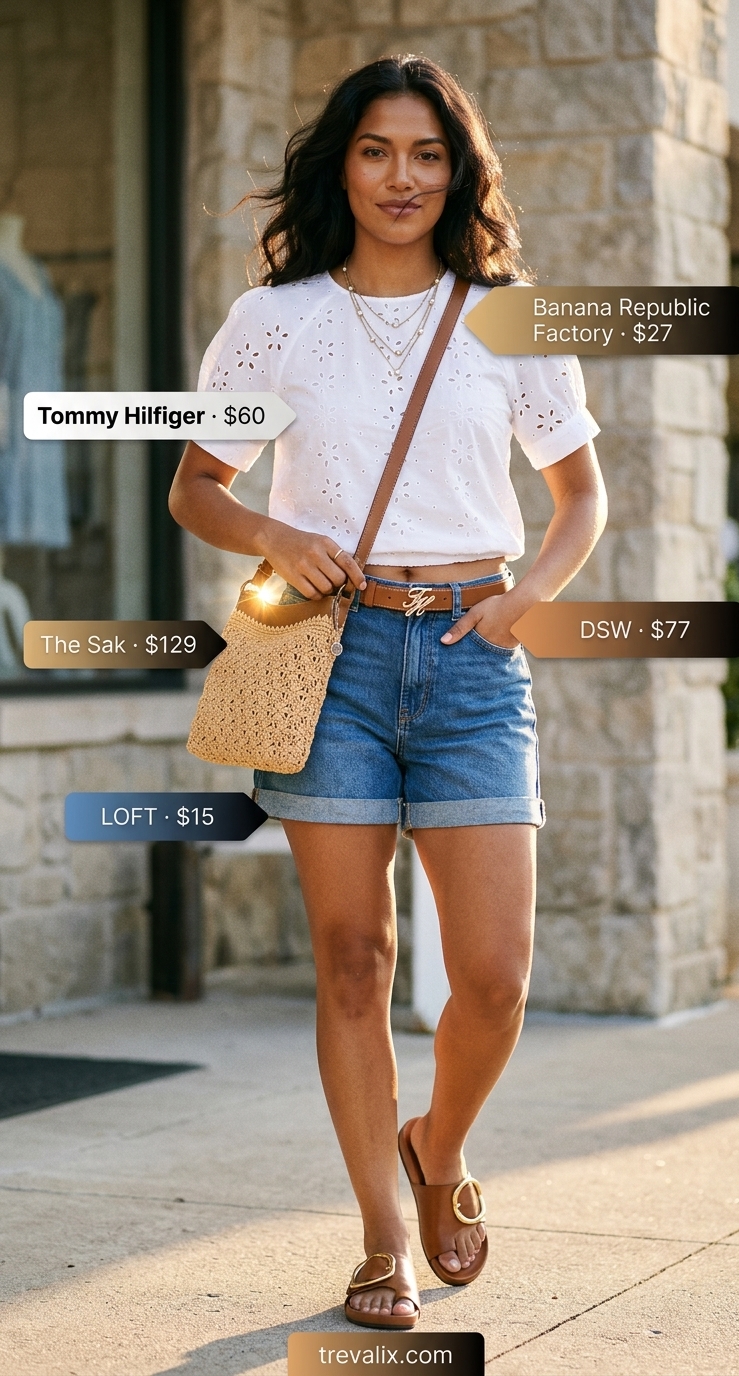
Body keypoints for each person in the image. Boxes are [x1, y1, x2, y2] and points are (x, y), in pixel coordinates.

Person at [170, 55, 606, 1330]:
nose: (401, 176)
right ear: (342, 164)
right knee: (354, 959)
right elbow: (197, 484)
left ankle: (441, 1148)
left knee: (494, 977)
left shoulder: (511, 314)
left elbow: (579, 498)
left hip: (474, 656)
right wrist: (269, 537)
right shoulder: (277, 316)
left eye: (426, 154)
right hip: (329, 657)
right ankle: (379, 1243)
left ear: (457, 169)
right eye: (376, 151)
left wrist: (526, 598)